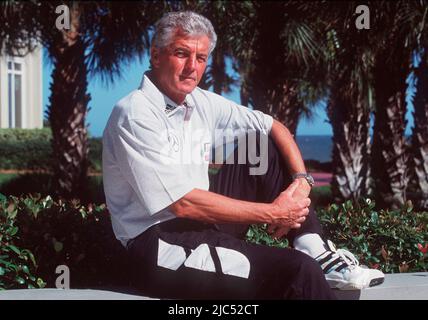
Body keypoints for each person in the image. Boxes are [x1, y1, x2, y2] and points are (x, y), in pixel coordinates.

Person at [102, 11, 384, 300]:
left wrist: (302, 183)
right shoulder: (135, 112)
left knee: (261, 144)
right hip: (159, 247)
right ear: (156, 55)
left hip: (203, 223)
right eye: (181, 53)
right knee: (299, 271)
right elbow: (183, 204)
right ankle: (310, 260)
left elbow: (273, 126)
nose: (192, 68)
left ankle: (312, 244)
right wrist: (274, 214)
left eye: (200, 58)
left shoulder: (199, 101)